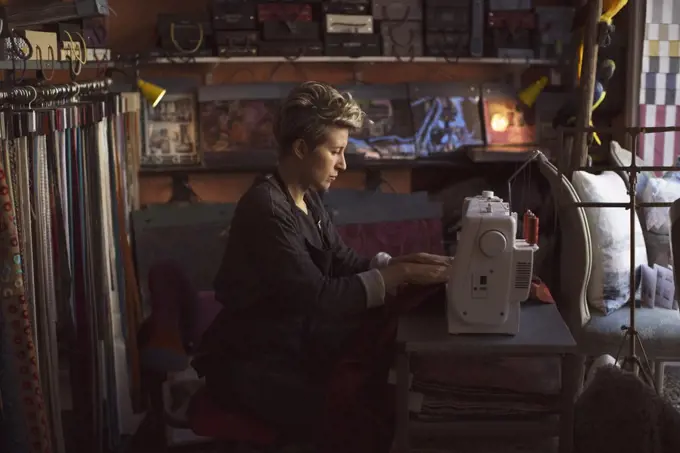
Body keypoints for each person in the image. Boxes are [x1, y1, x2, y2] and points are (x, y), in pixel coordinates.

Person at [193, 81, 452, 452]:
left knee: (369, 389)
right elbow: (316, 296)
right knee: (352, 418)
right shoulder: (266, 208)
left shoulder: (305, 197)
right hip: (252, 364)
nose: (343, 164)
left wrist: (399, 264)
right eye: (335, 152)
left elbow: (342, 261)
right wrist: (398, 276)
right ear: (301, 149)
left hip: (287, 348)